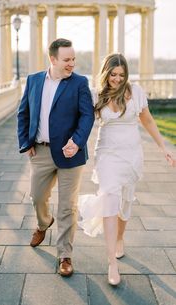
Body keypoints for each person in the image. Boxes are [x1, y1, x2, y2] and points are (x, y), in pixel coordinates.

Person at [78, 53, 176, 286]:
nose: (118, 79)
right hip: (107, 155)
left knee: (126, 201)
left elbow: (148, 120)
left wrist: (164, 147)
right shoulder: (96, 95)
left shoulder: (136, 92)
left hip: (132, 155)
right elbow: (82, 122)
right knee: (110, 198)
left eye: (122, 75)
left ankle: (120, 238)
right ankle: (112, 262)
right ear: (106, 73)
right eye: (113, 74)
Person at [17, 38, 94, 277]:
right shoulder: (34, 80)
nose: (72, 64)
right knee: (37, 196)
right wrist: (25, 142)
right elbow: (23, 113)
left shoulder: (80, 82)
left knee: (67, 207)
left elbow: (87, 116)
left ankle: (65, 255)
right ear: (52, 59)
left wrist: (77, 141)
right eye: (66, 60)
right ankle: (43, 223)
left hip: (70, 153)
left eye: (73, 59)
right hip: (40, 151)